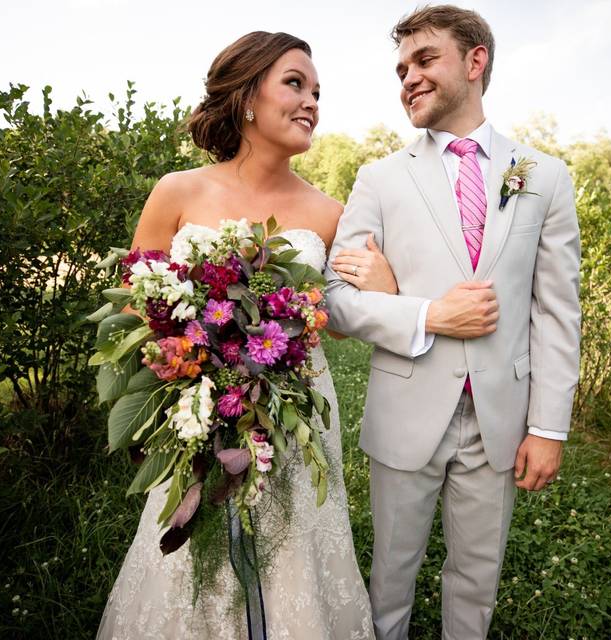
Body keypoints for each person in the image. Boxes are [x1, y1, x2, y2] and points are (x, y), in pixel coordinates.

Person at [97, 31, 391, 639]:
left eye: (317, 91)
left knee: (291, 547)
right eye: (294, 83)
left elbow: (337, 325)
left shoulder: (331, 212)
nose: (311, 100)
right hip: (198, 410)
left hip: (295, 408)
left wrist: (382, 285)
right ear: (247, 94)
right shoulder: (178, 190)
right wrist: (188, 369)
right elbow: (133, 306)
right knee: (195, 541)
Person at [326, 5, 581, 639]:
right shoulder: (379, 179)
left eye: (424, 60)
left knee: (478, 577)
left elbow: (556, 311)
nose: (408, 77)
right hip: (405, 406)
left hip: (502, 415)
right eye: (401, 68)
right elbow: (332, 298)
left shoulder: (543, 176)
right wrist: (428, 315)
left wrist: (548, 427)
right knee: (391, 573)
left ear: (475, 61)